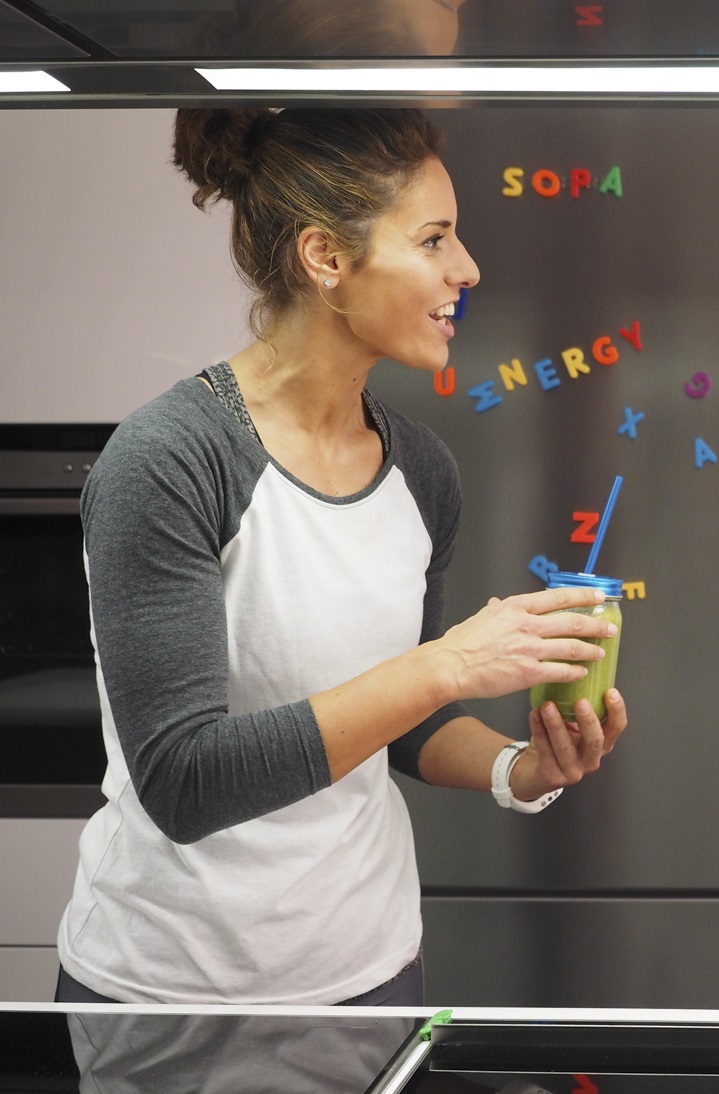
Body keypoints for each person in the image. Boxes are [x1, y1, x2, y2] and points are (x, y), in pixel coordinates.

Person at [55, 106, 628, 1006]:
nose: (467, 268)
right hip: (171, 998)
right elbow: (185, 781)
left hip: (371, 973)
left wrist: (521, 770)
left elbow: (403, 723)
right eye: (433, 239)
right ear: (326, 257)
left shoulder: (421, 470)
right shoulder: (169, 461)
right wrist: (445, 666)